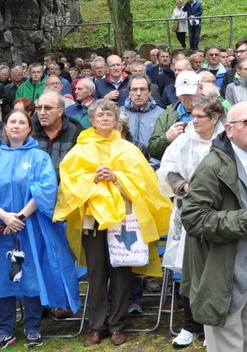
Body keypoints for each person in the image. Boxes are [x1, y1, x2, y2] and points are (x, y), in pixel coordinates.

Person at [54, 100, 171, 347]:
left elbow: (145, 183)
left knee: (121, 272)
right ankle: (97, 326)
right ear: (92, 120)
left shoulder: (128, 149)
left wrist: (117, 177)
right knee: (96, 275)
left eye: (109, 114)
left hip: (123, 221)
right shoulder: (80, 149)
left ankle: (117, 324)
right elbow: (69, 182)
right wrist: (93, 178)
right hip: (93, 221)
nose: (104, 118)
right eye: (99, 114)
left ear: (116, 120)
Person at [180, 102, 247, 352]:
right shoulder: (212, 166)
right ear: (229, 129)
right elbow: (193, 219)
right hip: (222, 272)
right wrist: (245, 219)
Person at [0, 109, 80, 349]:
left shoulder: (38, 157)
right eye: (12, 122)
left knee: (31, 275)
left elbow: (47, 188)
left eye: (21, 122)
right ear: (5, 127)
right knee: (0, 276)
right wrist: (3, 215)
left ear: (29, 128)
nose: (16, 126)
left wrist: (19, 216)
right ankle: (5, 329)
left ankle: (33, 327)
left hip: (30, 227)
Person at [157, 95, 224, 348]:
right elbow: (167, 169)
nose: (193, 120)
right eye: (192, 115)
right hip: (188, 211)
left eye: (199, 117)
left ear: (215, 118)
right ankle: (190, 325)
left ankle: (213, 326)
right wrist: (184, 186)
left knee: (215, 268)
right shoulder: (184, 140)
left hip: (218, 213)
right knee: (189, 268)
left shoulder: (225, 141)